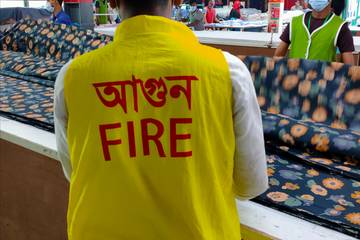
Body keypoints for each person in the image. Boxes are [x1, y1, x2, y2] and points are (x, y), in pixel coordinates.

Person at [54, 0, 268, 239]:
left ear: (112, 1)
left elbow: (74, 171)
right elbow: (250, 184)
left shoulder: (71, 78)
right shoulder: (227, 72)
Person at [275, 0, 355, 65]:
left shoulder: (340, 27)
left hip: (322, 82)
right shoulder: (295, 22)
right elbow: (277, 56)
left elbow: (350, 67)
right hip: (294, 81)